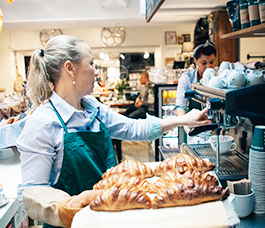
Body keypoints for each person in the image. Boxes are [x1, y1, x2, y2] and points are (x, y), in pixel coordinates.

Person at [16, 35, 211, 228]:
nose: (96, 73)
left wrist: (185, 119)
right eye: (91, 64)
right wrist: (73, 205)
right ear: (70, 68)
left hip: (108, 218)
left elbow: (133, 129)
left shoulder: (92, 107)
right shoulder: (42, 124)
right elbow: (32, 193)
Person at [175, 40, 216, 118]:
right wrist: (186, 123)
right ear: (195, 60)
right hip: (193, 121)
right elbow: (180, 107)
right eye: (203, 63)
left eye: (212, 62)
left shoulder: (220, 77)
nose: (208, 66)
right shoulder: (187, 78)